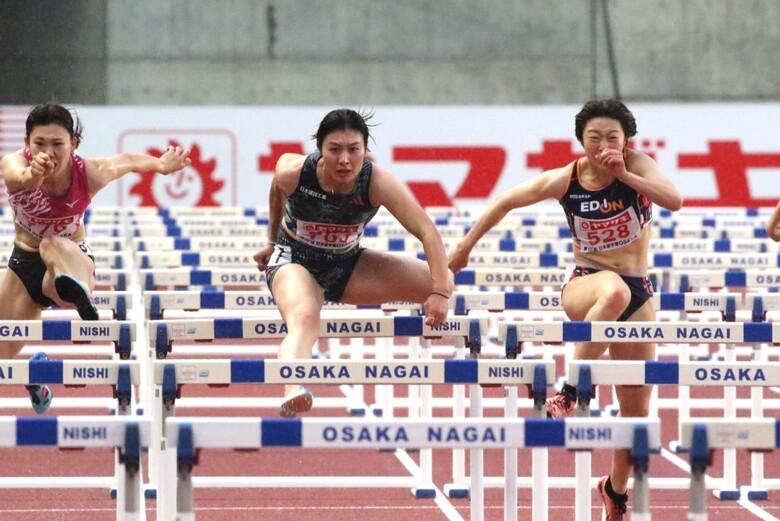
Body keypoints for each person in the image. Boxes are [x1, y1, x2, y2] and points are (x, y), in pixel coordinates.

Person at [448, 99, 682, 521]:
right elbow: (506, 201)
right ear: (581, 142)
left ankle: (614, 490)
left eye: (613, 137)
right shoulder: (567, 180)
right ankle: (570, 391)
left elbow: (675, 200)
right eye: (594, 138)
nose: (603, 145)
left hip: (639, 290)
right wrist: (464, 248)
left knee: (636, 416)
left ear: (626, 141)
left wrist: (625, 174)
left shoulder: (638, 165)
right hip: (586, 286)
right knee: (611, 293)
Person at [253, 108, 454, 418]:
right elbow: (277, 189)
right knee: (305, 317)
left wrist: (440, 291)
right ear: (320, 149)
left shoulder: (377, 183)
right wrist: (271, 241)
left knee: (440, 280)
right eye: (334, 150)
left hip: (347, 264)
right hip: (295, 260)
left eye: (353, 150)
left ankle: (469, 352)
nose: (344, 160)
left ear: (365, 150)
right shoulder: (293, 171)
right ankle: (293, 385)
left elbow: (427, 230)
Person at [0, 103, 191, 414]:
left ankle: (75, 289)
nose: (49, 151)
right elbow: (18, 179)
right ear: (27, 143)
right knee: (2, 360)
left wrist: (159, 164)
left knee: (52, 244)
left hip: (69, 257)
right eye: (40, 144)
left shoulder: (88, 173)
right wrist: (33, 173)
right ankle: (36, 376)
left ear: (74, 144)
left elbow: (126, 161)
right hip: (23, 265)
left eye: (58, 144)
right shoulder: (14, 163)